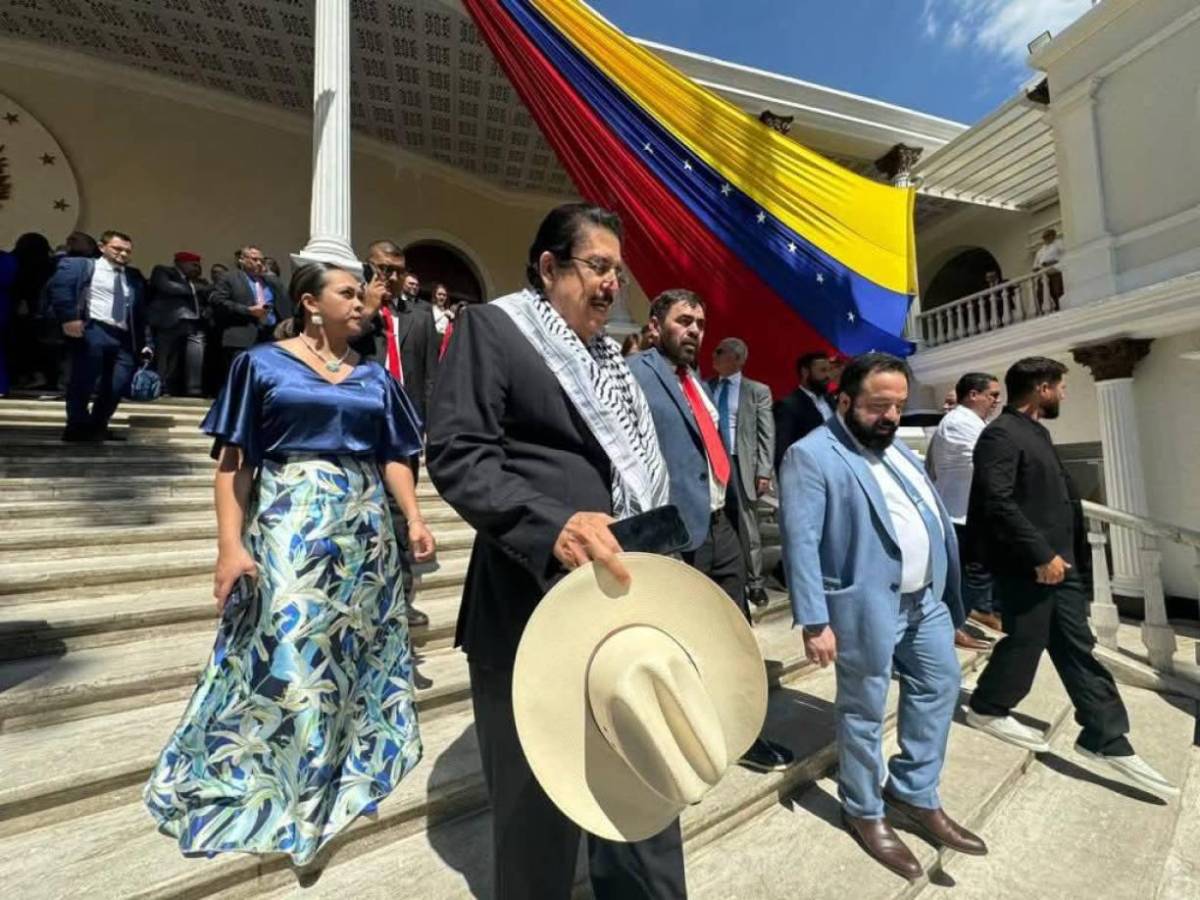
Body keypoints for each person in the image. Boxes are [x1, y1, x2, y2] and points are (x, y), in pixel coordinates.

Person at [427, 203, 686, 899]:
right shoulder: (493, 328)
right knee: (535, 817)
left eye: (618, 273)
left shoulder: (613, 362)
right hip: (528, 607)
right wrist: (553, 527)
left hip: (622, 610)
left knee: (644, 795)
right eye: (598, 266)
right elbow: (459, 454)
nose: (612, 285)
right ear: (549, 266)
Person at [143, 262, 435, 864]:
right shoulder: (261, 365)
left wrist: (414, 517)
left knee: (351, 650)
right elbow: (234, 464)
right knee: (293, 646)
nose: (362, 303)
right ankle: (290, 778)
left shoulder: (376, 378)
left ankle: (341, 753)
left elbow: (394, 456)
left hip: (364, 537)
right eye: (348, 293)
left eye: (362, 294)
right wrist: (229, 546)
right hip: (288, 525)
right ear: (309, 302)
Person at [779, 352, 986, 882]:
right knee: (864, 710)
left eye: (898, 405)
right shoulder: (811, 455)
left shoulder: (897, 451)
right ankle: (863, 809)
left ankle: (914, 792)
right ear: (845, 400)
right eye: (878, 406)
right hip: (864, 607)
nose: (891, 416)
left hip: (925, 603)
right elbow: (801, 543)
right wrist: (814, 621)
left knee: (940, 685)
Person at [964, 357, 1177, 797]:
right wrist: (1040, 554)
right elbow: (995, 500)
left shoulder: (1036, 433)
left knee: (1076, 645)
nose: (1064, 393)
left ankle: (1105, 736)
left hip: (1061, 566)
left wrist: (1064, 557)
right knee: (1027, 639)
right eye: (1060, 386)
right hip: (1030, 565)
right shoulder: (1001, 434)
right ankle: (988, 706)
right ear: (1042, 388)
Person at [630, 292, 794, 776]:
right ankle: (686, 737)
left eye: (700, 323)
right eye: (684, 320)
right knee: (683, 640)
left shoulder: (698, 383)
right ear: (655, 326)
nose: (695, 330)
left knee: (732, 632)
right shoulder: (634, 375)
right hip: (677, 533)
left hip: (721, 523)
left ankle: (741, 730)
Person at [43, 230, 152, 442]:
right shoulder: (79, 266)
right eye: (117, 248)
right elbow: (60, 289)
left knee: (117, 384)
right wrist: (69, 318)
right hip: (93, 329)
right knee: (83, 380)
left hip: (123, 336)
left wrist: (147, 342)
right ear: (102, 247)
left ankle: (98, 426)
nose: (123, 254)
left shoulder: (133, 276)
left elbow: (140, 313)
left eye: (127, 251)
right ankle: (76, 426)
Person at [925, 372, 1004, 647]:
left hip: (969, 512)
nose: (997, 400)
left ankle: (961, 620)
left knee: (975, 574)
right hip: (959, 513)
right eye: (992, 395)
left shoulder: (973, 422)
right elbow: (989, 461)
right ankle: (952, 626)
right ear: (973, 395)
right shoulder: (960, 422)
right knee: (968, 577)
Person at [707, 336, 775, 608]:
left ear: (736, 358)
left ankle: (755, 582)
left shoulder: (756, 391)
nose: (713, 356)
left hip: (740, 463)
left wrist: (764, 471)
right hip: (713, 461)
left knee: (748, 524)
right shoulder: (706, 387)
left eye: (719, 351)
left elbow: (766, 433)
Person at [356, 241, 439, 427]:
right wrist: (367, 311)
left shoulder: (422, 318)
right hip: (362, 415)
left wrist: (430, 425)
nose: (393, 277)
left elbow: (431, 378)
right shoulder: (351, 310)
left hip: (408, 419)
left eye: (400, 272)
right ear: (367, 268)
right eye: (385, 269)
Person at [209, 245, 289, 380]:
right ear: (241, 260)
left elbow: (283, 303)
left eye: (261, 260)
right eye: (254, 259)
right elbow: (217, 301)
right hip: (242, 337)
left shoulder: (269, 281)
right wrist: (247, 310)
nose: (259, 263)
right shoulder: (230, 278)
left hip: (269, 336)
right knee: (241, 378)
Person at [148, 251, 209, 396]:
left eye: (198, 265)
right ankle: (158, 386)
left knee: (182, 358)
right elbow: (167, 287)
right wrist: (194, 289)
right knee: (164, 356)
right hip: (169, 322)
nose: (196, 268)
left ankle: (187, 388)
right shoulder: (163, 271)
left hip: (192, 323)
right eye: (193, 265)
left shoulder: (195, 281)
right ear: (181, 263)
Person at [772, 351, 833, 474]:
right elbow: (783, 449)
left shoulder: (832, 401)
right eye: (822, 370)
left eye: (829, 370)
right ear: (805, 372)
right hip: (808, 472)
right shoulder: (788, 406)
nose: (828, 376)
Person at [1032, 228, 1065, 311]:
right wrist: (1039, 267)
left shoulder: (1059, 244)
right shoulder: (1040, 251)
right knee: (1041, 294)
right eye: (1045, 237)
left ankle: (1059, 307)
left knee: (1057, 291)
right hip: (1043, 274)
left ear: (1053, 235)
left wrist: (1053, 262)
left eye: (1048, 236)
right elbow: (1035, 266)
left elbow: (1064, 255)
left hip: (1055, 271)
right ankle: (1043, 310)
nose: (1047, 238)